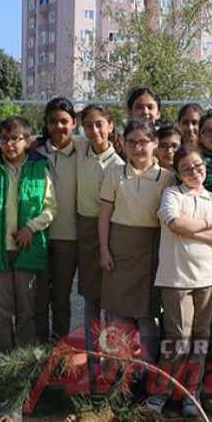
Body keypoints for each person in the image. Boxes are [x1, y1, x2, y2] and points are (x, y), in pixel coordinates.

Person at [153, 148, 212, 416]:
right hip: (176, 279)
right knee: (178, 337)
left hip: (207, 278)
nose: (194, 172)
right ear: (177, 172)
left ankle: (191, 392)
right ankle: (161, 392)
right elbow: (175, 224)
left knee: (201, 337)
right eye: (187, 169)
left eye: (198, 166)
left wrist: (197, 227)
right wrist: (207, 225)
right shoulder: (172, 195)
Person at [100, 121, 176, 376]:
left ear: (155, 143)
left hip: (152, 251)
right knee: (118, 315)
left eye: (144, 141)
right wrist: (104, 250)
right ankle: (116, 374)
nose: (138, 147)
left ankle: (148, 372)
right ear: (123, 143)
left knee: (147, 316)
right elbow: (104, 214)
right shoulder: (114, 173)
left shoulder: (167, 178)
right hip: (119, 249)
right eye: (131, 142)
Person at [0, 117, 56, 355]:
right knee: (0, 310)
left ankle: (23, 360)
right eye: (4, 139)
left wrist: (31, 227)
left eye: (15, 139)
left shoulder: (40, 169)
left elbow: (51, 208)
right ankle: (2, 359)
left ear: (28, 141)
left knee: (27, 309)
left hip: (27, 251)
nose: (10, 144)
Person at [33, 97, 84, 343]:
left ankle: (60, 344)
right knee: (39, 295)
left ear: (74, 123)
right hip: (39, 235)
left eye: (64, 121)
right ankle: (39, 346)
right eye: (53, 121)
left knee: (61, 296)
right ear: (46, 124)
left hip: (69, 237)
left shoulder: (83, 150)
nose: (59, 126)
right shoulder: (35, 153)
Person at [76, 104, 124, 355]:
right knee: (91, 298)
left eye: (99, 124)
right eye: (88, 125)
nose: (94, 130)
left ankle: (113, 357)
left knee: (112, 301)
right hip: (85, 231)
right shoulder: (81, 150)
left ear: (110, 125)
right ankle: (92, 357)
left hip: (110, 232)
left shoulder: (118, 164)